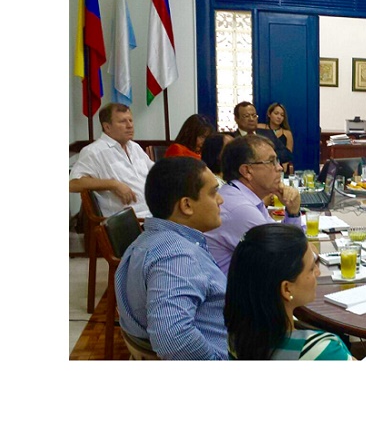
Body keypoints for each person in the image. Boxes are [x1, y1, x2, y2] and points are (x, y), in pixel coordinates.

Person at [115, 156, 228, 360]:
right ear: (186, 205)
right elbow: (172, 337)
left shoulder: (145, 241)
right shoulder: (177, 256)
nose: (220, 200)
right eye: (213, 193)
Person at [225, 224, 355, 360]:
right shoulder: (320, 350)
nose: (318, 272)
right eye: (311, 269)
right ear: (287, 289)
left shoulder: (233, 339)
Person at [203, 134, 303, 275]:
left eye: (277, 161)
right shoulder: (240, 209)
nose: (280, 168)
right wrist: (308, 250)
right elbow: (288, 261)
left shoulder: (246, 197)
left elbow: (286, 244)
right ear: (247, 171)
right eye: (271, 162)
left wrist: (293, 212)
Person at [69, 102, 154, 218]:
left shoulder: (135, 147)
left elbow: (156, 173)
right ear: (107, 127)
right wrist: (113, 184)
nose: (130, 125)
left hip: (154, 214)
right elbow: (73, 184)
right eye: (123, 121)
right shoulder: (94, 151)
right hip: (132, 222)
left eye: (130, 120)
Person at [257, 102, 295, 174]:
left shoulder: (287, 133)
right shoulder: (259, 127)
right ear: (269, 114)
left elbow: (288, 154)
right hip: (263, 164)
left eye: (282, 115)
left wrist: (284, 164)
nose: (279, 117)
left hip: (280, 166)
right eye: (276, 113)